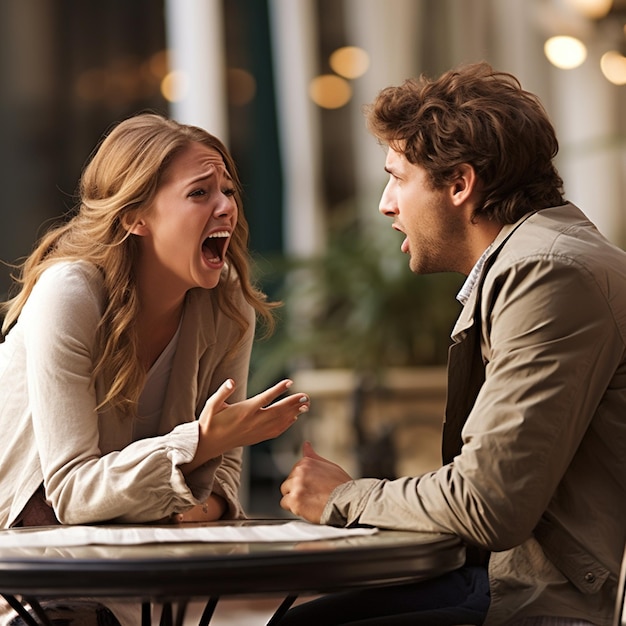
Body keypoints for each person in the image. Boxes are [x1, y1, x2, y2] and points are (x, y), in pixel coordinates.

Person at [279, 61, 626, 626]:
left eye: (398, 177)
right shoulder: (536, 259)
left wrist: (343, 499)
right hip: (520, 573)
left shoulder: (547, 272)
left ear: (460, 184)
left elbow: (489, 503)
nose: (387, 203)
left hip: (567, 600)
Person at [0, 112, 310, 625]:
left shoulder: (228, 305)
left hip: (133, 563)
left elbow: (223, 489)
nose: (226, 207)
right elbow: (73, 494)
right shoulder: (69, 293)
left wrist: (188, 479)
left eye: (228, 191)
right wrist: (197, 450)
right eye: (200, 193)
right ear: (134, 217)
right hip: (32, 564)